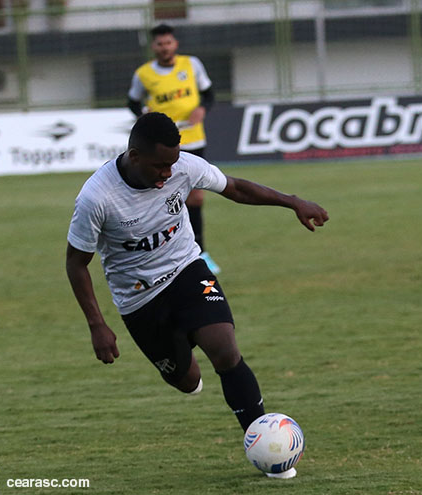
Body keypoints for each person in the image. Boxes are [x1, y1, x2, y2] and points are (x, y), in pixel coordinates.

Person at [66, 112, 329, 478]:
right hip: (139, 299)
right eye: (160, 166)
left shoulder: (184, 167)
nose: (168, 173)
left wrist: (292, 202)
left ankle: (268, 448)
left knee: (225, 350)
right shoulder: (97, 197)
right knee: (186, 380)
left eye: (172, 164)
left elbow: (235, 188)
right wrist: (97, 324)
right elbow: (76, 263)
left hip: (187, 271)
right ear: (135, 156)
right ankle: (182, 362)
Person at [127, 23, 221, 274]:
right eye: (160, 44)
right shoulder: (143, 74)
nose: (164, 47)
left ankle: (201, 252)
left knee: (196, 197)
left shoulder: (192, 64)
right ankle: (158, 253)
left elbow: (209, 95)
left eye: (168, 42)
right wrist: (143, 114)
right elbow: (132, 102)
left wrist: (202, 109)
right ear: (154, 47)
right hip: (161, 145)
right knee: (161, 197)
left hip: (193, 138)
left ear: (175, 44)